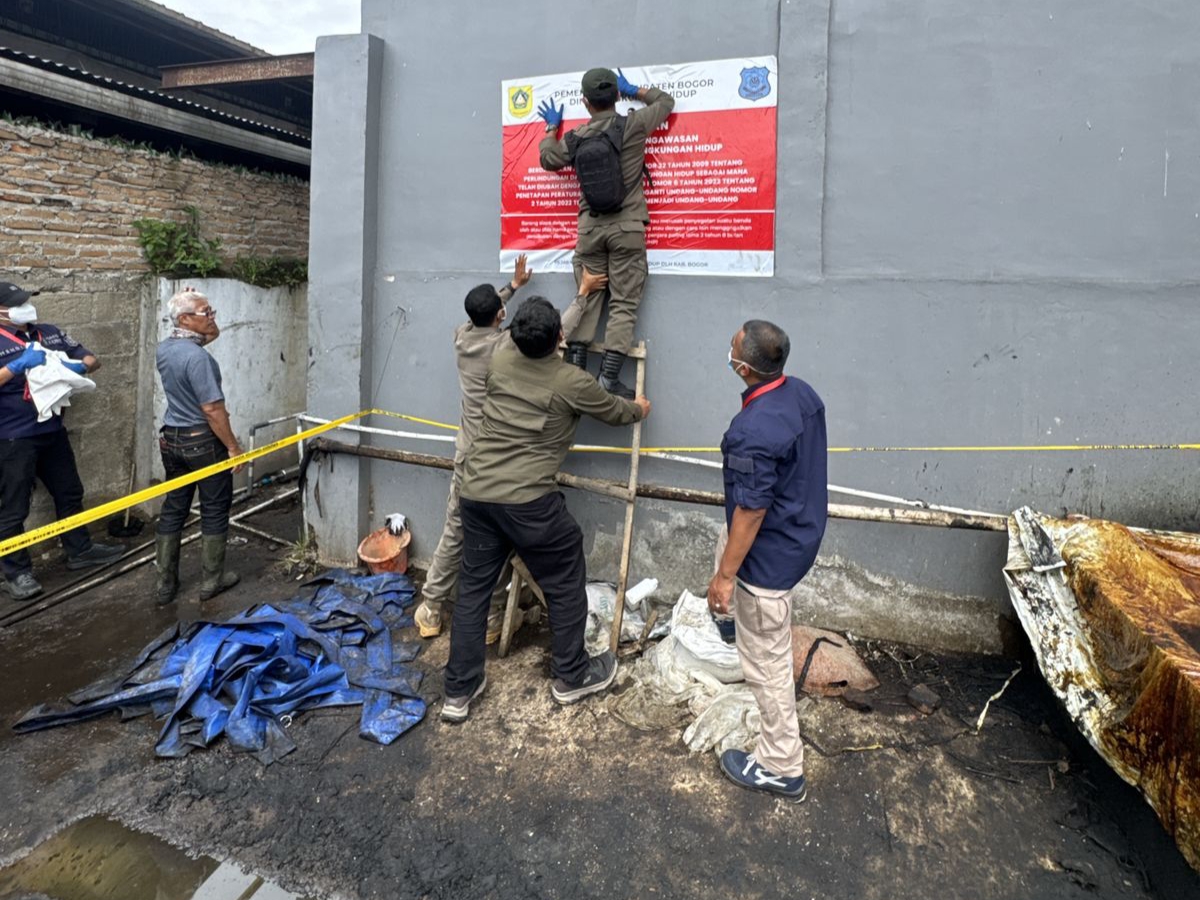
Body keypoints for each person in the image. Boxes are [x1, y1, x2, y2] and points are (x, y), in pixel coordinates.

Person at [441, 294, 651, 722]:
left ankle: (458, 691)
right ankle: (572, 675)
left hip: (477, 493)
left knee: (474, 590)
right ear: (559, 338)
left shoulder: (500, 359)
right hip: (528, 503)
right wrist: (638, 409)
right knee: (564, 578)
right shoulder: (571, 380)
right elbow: (613, 411)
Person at [416, 257, 607, 640]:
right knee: (498, 538)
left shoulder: (462, 336)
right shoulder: (505, 349)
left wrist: (513, 286)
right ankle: (491, 620)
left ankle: (431, 608)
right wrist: (582, 295)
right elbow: (556, 331)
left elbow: (484, 312)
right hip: (493, 456)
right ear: (501, 316)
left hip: (466, 453)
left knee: (455, 533)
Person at [707, 320, 828, 802]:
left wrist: (725, 578)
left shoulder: (753, 431)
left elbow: (752, 510)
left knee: (769, 667)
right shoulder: (800, 394)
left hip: (767, 563)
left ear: (744, 367)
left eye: (733, 346)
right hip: (796, 530)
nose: (729, 348)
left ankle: (781, 766)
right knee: (725, 539)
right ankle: (733, 625)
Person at [538, 67, 674, 398]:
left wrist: (552, 128)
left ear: (585, 102)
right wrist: (635, 90)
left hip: (590, 231)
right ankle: (608, 379)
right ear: (616, 96)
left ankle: (576, 375)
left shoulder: (576, 137)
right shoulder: (634, 124)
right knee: (623, 303)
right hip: (627, 229)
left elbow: (548, 158)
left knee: (588, 295)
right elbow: (665, 102)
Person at [0, 282, 124, 601]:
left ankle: (80, 550)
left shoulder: (49, 333)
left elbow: (92, 359)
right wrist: (15, 368)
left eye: (26, 300)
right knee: (13, 507)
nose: (26, 306)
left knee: (69, 492)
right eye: (17, 303)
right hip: (12, 438)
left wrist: (78, 365)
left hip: (52, 431)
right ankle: (16, 573)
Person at [153, 287, 244, 605]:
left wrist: (195, 308)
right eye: (207, 312)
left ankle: (165, 585)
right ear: (185, 320)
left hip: (172, 439)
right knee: (215, 508)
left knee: (174, 507)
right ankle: (211, 581)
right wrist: (233, 447)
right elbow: (213, 410)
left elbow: (209, 334)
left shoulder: (166, 349)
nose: (213, 317)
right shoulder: (198, 359)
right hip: (203, 442)